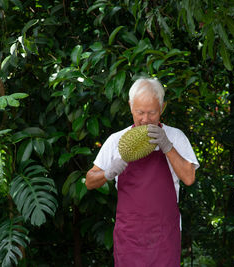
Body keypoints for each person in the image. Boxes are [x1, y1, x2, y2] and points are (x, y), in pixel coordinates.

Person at [85, 77, 199, 266]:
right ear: (130, 107)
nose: (145, 119)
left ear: (162, 107)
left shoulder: (176, 137)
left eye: (152, 113)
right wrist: (108, 173)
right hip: (129, 237)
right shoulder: (117, 141)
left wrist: (167, 146)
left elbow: (189, 178)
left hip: (165, 236)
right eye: (139, 112)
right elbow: (89, 181)